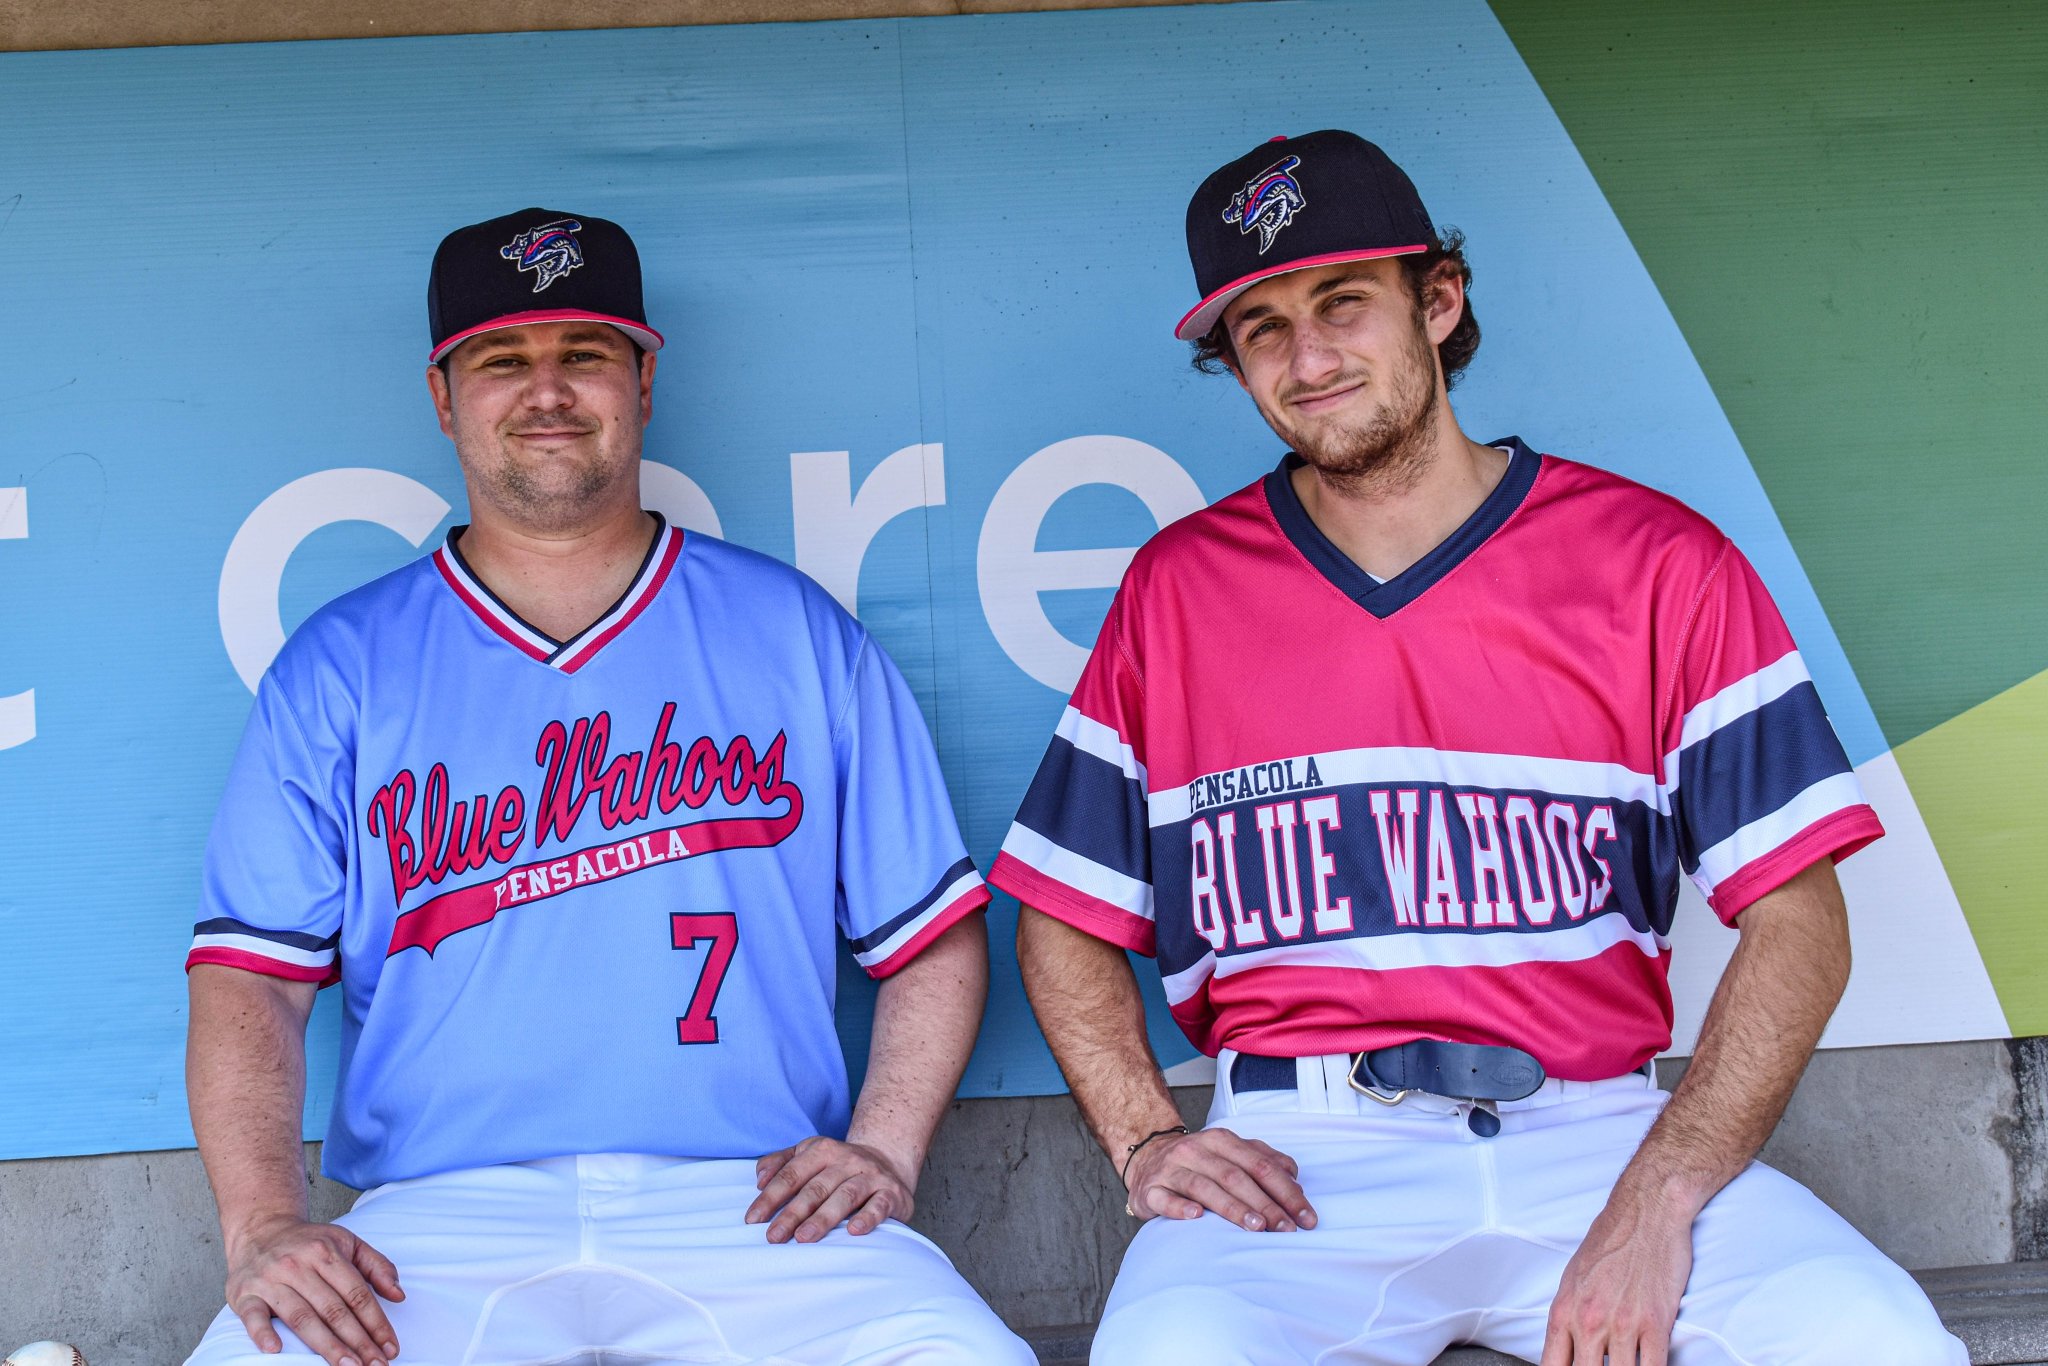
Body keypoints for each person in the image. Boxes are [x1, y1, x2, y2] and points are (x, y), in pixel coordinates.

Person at [991, 131, 1964, 1365]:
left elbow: (1797, 921)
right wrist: (1145, 1138)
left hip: (1601, 1132)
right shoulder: (1176, 590)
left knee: (1874, 1340)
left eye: (1342, 303)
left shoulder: (1657, 562)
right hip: (1305, 1159)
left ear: (1436, 303)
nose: (1308, 358)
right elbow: (1061, 909)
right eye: (1261, 329)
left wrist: (1658, 1198)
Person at [183, 208, 1031, 1366]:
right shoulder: (342, 666)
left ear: (641, 378)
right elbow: (251, 984)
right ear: (442, 395)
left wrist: (882, 1149)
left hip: (749, 1204)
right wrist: (265, 1225)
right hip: (435, 1219)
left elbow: (927, 936)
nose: (546, 390)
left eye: (582, 354)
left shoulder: (793, 634)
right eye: (501, 361)